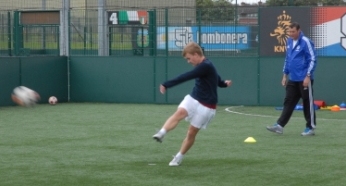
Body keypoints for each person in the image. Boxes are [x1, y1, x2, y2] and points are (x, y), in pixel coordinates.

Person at [152, 42, 232, 166]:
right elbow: (217, 80)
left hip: (207, 105)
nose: (188, 61)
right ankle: (161, 133)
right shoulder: (205, 66)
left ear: (196, 54)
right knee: (179, 113)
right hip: (193, 98)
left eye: (189, 58)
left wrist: (167, 84)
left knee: (191, 133)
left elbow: (187, 76)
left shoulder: (206, 65)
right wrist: (224, 83)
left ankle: (178, 157)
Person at [266, 22, 317, 136]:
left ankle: (310, 128)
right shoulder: (289, 41)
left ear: (299, 30)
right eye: (289, 32)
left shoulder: (305, 42)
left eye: (293, 32)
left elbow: (313, 59)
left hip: (304, 78)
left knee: (307, 102)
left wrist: (307, 76)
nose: (291, 34)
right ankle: (279, 126)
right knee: (288, 101)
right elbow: (288, 59)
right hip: (293, 78)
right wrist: (285, 75)